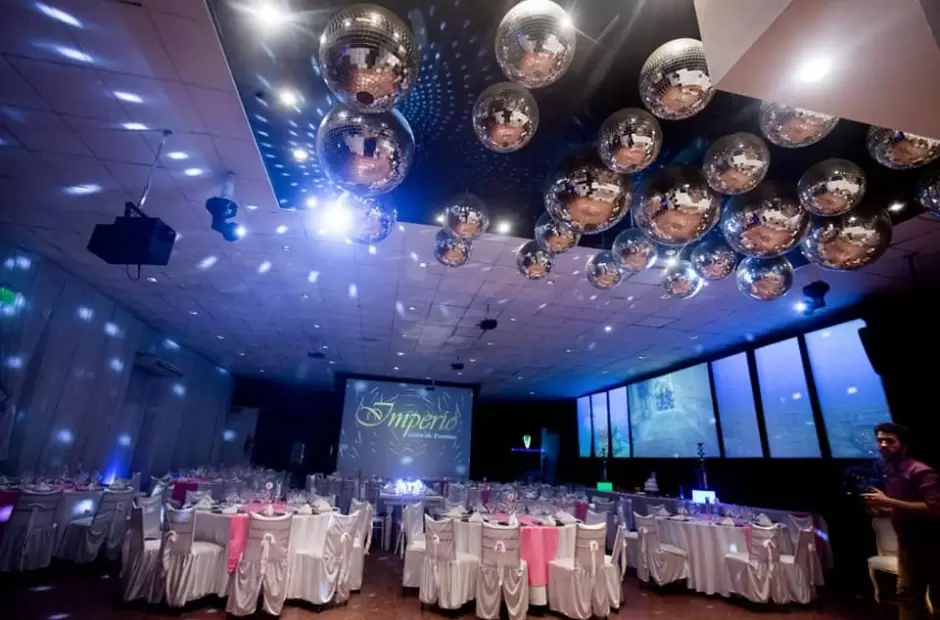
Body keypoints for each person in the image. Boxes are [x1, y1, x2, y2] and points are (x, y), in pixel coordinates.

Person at [863, 422, 940, 618]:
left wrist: (888, 501)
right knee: (907, 595)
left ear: (903, 445)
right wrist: (885, 510)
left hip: (932, 545)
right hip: (907, 544)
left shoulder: (920, 471)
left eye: (890, 441)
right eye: (880, 440)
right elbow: (904, 505)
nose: (883, 445)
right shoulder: (891, 472)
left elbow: (934, 508)